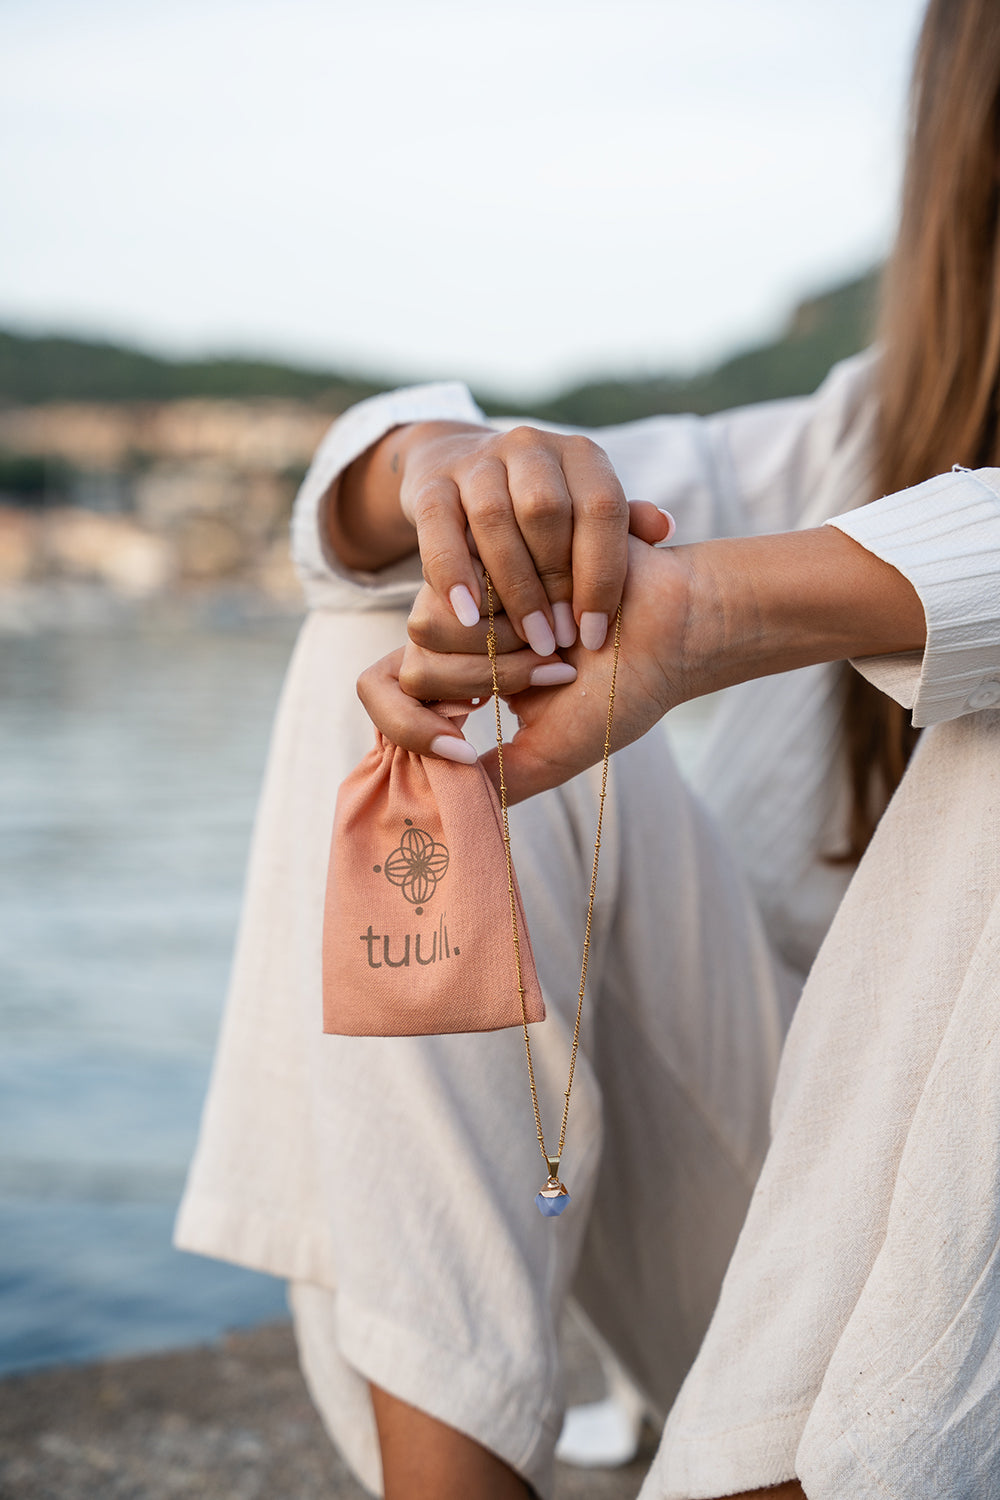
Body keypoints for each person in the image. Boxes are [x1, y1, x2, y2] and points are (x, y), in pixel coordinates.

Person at [175, 0, 1000, 1495]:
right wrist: (452, 482)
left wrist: (723, 611)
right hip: (764, 1269)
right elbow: (359, 516)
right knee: (402, 633)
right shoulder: (850, 436)